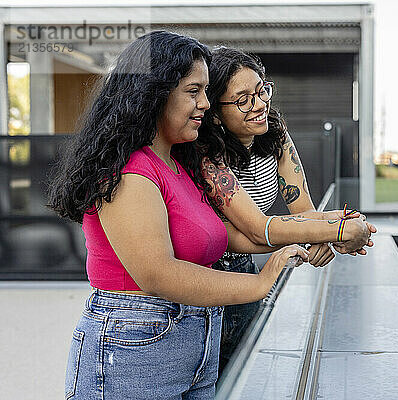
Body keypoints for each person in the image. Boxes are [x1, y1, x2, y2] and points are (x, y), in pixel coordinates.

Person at [48, 31, 315, 400]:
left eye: (206, 91)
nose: (206, 104)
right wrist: (260, 282)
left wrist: (315, 236)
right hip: (133, 354)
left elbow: (230, 235)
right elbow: (157, 273)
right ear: (154, 93)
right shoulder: (129, 170)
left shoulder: (178, 163)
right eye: (194, 91)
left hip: (195, 348)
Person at [196, 47, 377, 374]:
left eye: (262, 90)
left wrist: (335, 230)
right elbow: (257, 228)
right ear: (216, 113)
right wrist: (337, 231)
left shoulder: (274, 134)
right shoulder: (207, 155)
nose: (260, 105)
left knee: (246, 373)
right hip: (207, 284)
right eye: (243, 99)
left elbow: (303, 210)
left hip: (246, 271)